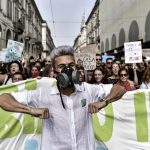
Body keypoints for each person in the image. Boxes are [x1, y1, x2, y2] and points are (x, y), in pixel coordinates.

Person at [0, 45, 126, 150]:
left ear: (76, 68)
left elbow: (120, 88)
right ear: (54, 71)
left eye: (71, 65)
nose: (67, 70)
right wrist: (31, 110)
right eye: (61, 67)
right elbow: (3, 99)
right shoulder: (42, 94)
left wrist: (104, 102)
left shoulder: (88, 89)